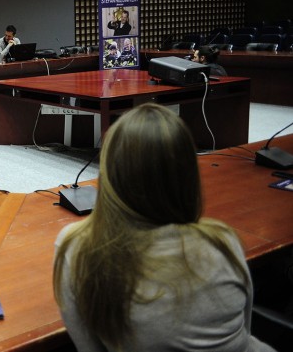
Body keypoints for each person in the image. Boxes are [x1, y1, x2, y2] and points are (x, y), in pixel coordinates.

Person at [52, 103, 276, 352]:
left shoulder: (77, 247)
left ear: (110, 173)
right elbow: (245, 331)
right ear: (189, 175)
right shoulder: (222, 240)